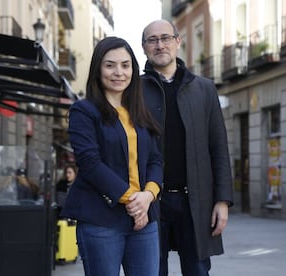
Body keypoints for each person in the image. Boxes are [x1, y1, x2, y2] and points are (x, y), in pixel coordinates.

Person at [61, 36, 163, 276]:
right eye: (110, 65)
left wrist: (148, 196)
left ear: (133, 70)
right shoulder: (83, 111)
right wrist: (133, 201)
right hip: (101, 220)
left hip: (145, 219)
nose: (119, 72)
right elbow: (90, 163)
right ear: (98, 69)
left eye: (125, 65)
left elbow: (156, 160)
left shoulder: (140, 112)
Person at [140, 19, 234, 276]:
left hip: (196, 201)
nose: (160, 45)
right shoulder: (133, 90)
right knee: (150, 270)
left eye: (166, 38)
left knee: (197, 271)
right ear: (144, 47)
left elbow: (218, 146)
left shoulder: (204, 89)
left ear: (178, 42)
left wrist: (222, 200)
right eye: (152, 40)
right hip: (150, 202)